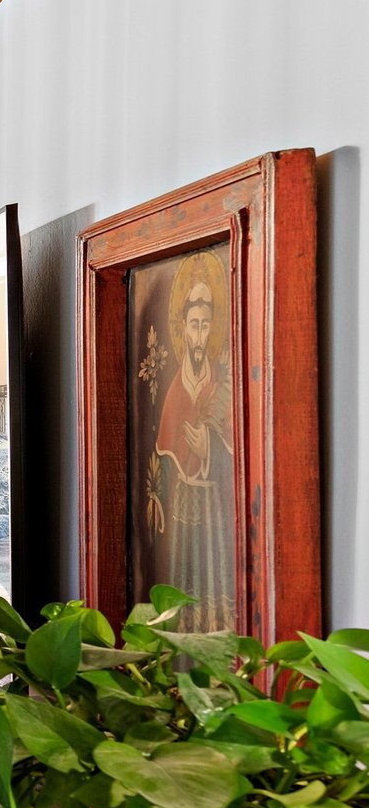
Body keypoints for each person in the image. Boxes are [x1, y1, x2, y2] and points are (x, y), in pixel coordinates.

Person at [142, 252, 236, 630]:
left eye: (205, 325)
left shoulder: (223, 386)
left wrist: (209, 450)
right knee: (185, 582)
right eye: (193, 325)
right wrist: (156, 496)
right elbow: (160, 456)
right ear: (183, 330)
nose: (199, 336)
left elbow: (237, 449)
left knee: (216, 582)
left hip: (214, 504)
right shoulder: (175, 390)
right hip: (183, 505)